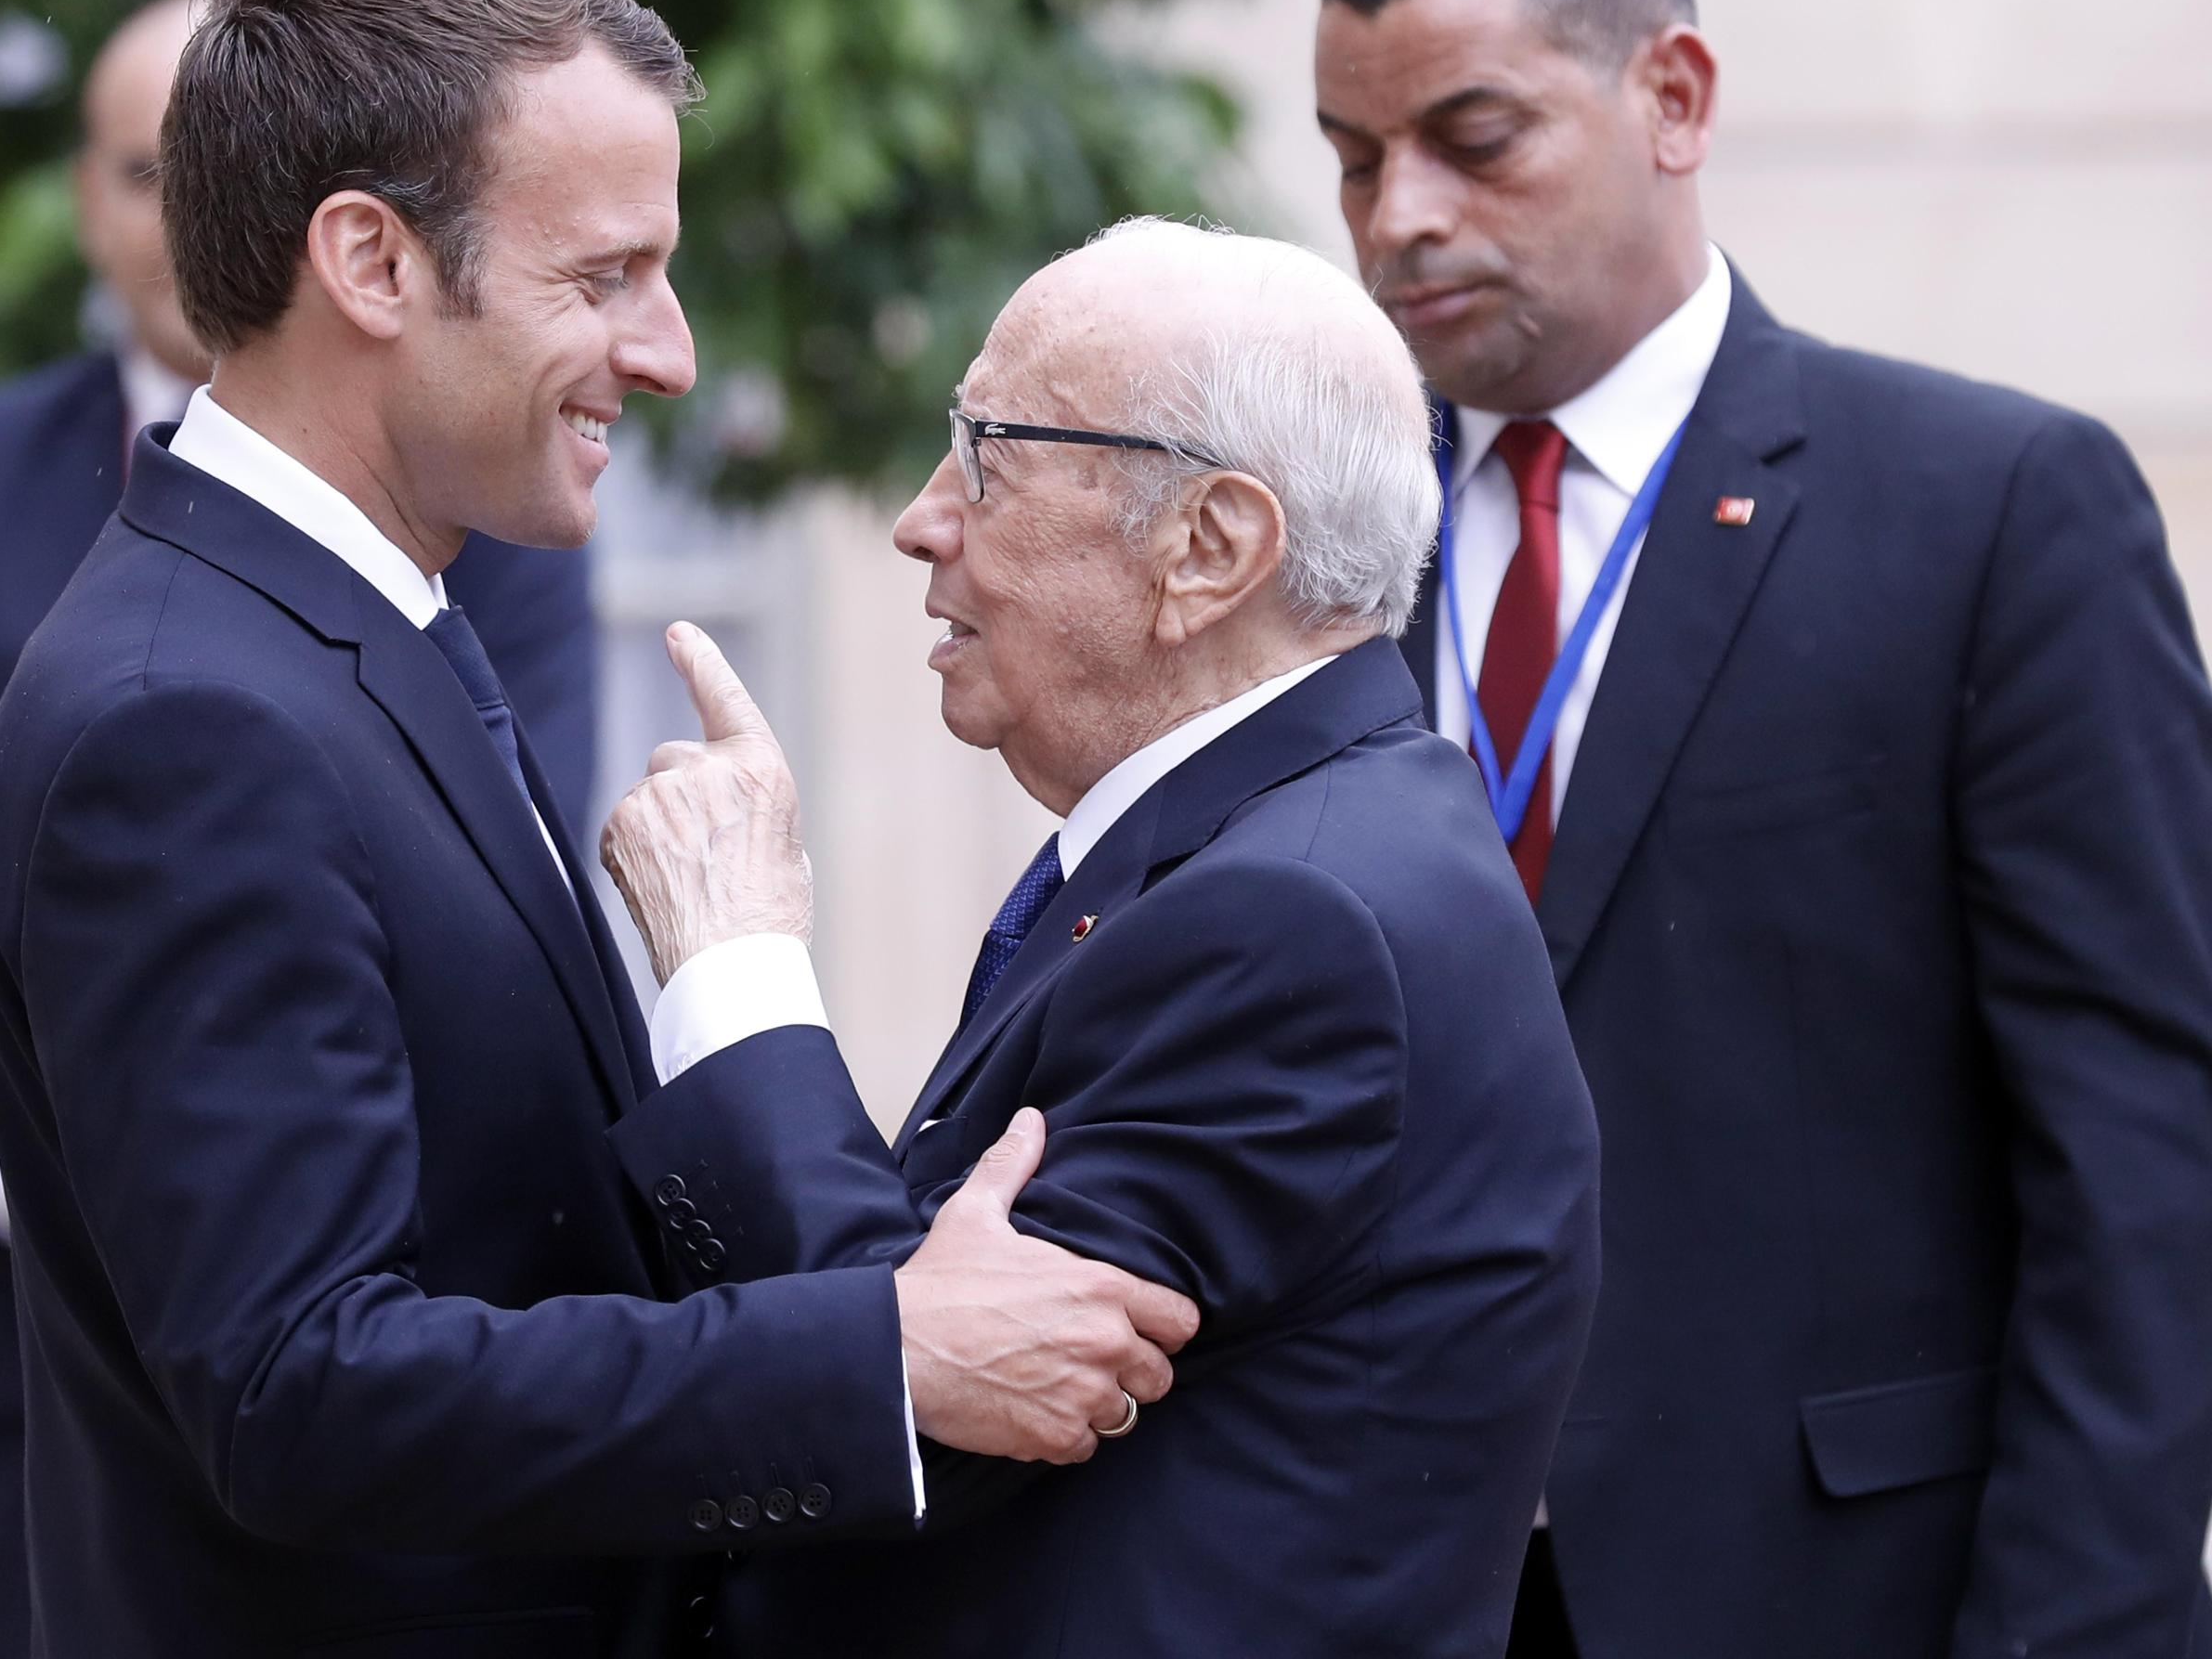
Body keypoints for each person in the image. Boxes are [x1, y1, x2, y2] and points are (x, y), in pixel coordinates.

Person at [0, 0, 1198, 1659]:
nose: (670, 352)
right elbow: (299, 1390)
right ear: (372, 262)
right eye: (605, 276)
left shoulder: (339, 636)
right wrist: (883, 1353)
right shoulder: (187, 724)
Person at [1313, 0, 2212, 1659]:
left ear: (1675, 96)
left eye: (1472, 141)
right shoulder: (1313, 548)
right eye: (1351, 159)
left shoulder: (1995, 513)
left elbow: (2145, 1166)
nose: (1398, 215)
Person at [599, 219, 1604, 1655]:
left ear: (1211, 547)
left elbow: (920, 1403)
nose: (922, 517)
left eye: (989, 457)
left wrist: (734, 967)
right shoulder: (1284, 840)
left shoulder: (1292, 921)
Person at [0, 0, 606, 1658]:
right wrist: (5, 1142)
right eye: (604, 278)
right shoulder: (100, 605)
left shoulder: (482, 505)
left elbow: (485, 865)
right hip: (142, 1348)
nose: (659, 348)